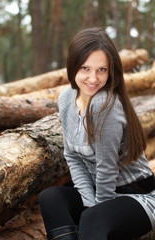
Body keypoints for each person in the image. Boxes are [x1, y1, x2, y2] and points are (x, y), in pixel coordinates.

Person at [39, 27, 155, 240]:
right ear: (73, 65)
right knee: (51, 198)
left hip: (138, 196)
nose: (93, 78)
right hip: (99, 194)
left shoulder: (105, 104)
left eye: (102, 70)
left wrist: (93, 211)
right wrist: (88, 202)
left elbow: (106, 168)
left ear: (111, 71)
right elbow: (72, 156)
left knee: (93, 219)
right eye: (85, 68)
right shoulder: (66, 98)